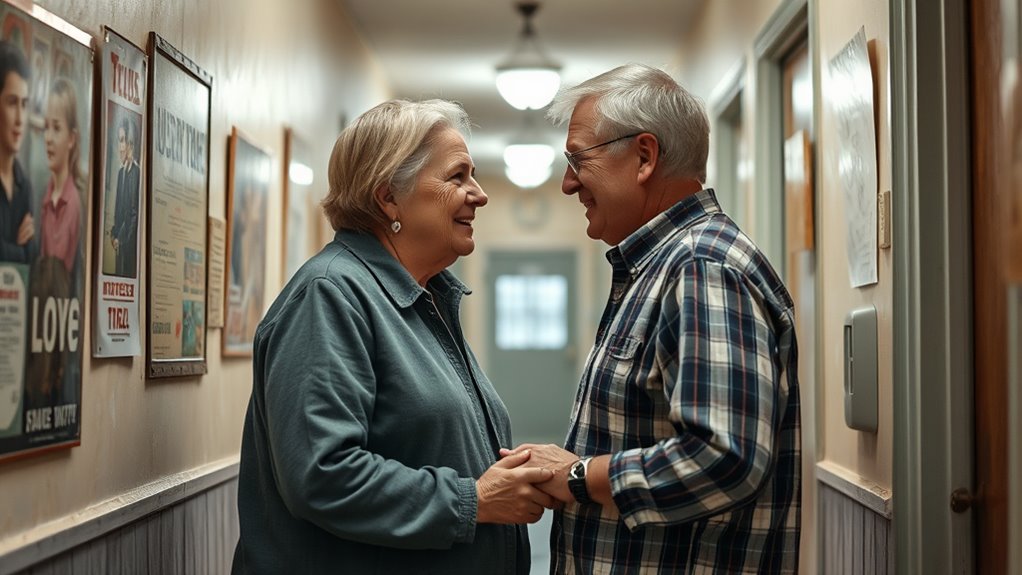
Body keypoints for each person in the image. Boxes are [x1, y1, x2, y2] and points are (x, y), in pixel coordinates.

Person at [232, 99, 556, 575]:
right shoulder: (329, 295)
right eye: (457, 177)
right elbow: (323, 474)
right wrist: (473, 499)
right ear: (389, 198)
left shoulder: (425, 296)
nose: (479, 194)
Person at [502, 64, 802, 573]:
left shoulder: (701, 267)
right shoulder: (662, 265)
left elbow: (724, 457)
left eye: (578, 159)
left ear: (644, 157)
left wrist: (579, 476)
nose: (568, 183)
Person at [39, 78, 82, 274]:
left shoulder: (73, 203)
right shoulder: (45, 197)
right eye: (46, 127)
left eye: (56, 128)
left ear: (71, 139)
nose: (48, 138)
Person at [0, 40, 34, 264]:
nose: (21, 119)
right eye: (12, 103)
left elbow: (32, 257)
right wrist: (18, 251)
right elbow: (25, 255)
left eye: (24, 104)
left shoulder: (25, 186)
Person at [111, 115, 139, 278]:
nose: (120, 147)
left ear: (130, 143)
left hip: (128, 249)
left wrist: (122, 240)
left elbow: (133, 215)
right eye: (119, 140)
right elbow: (118, 210)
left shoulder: (136, 173)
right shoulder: (121, 173)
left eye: (122, 140)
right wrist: (114, 235)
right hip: (119, 245)